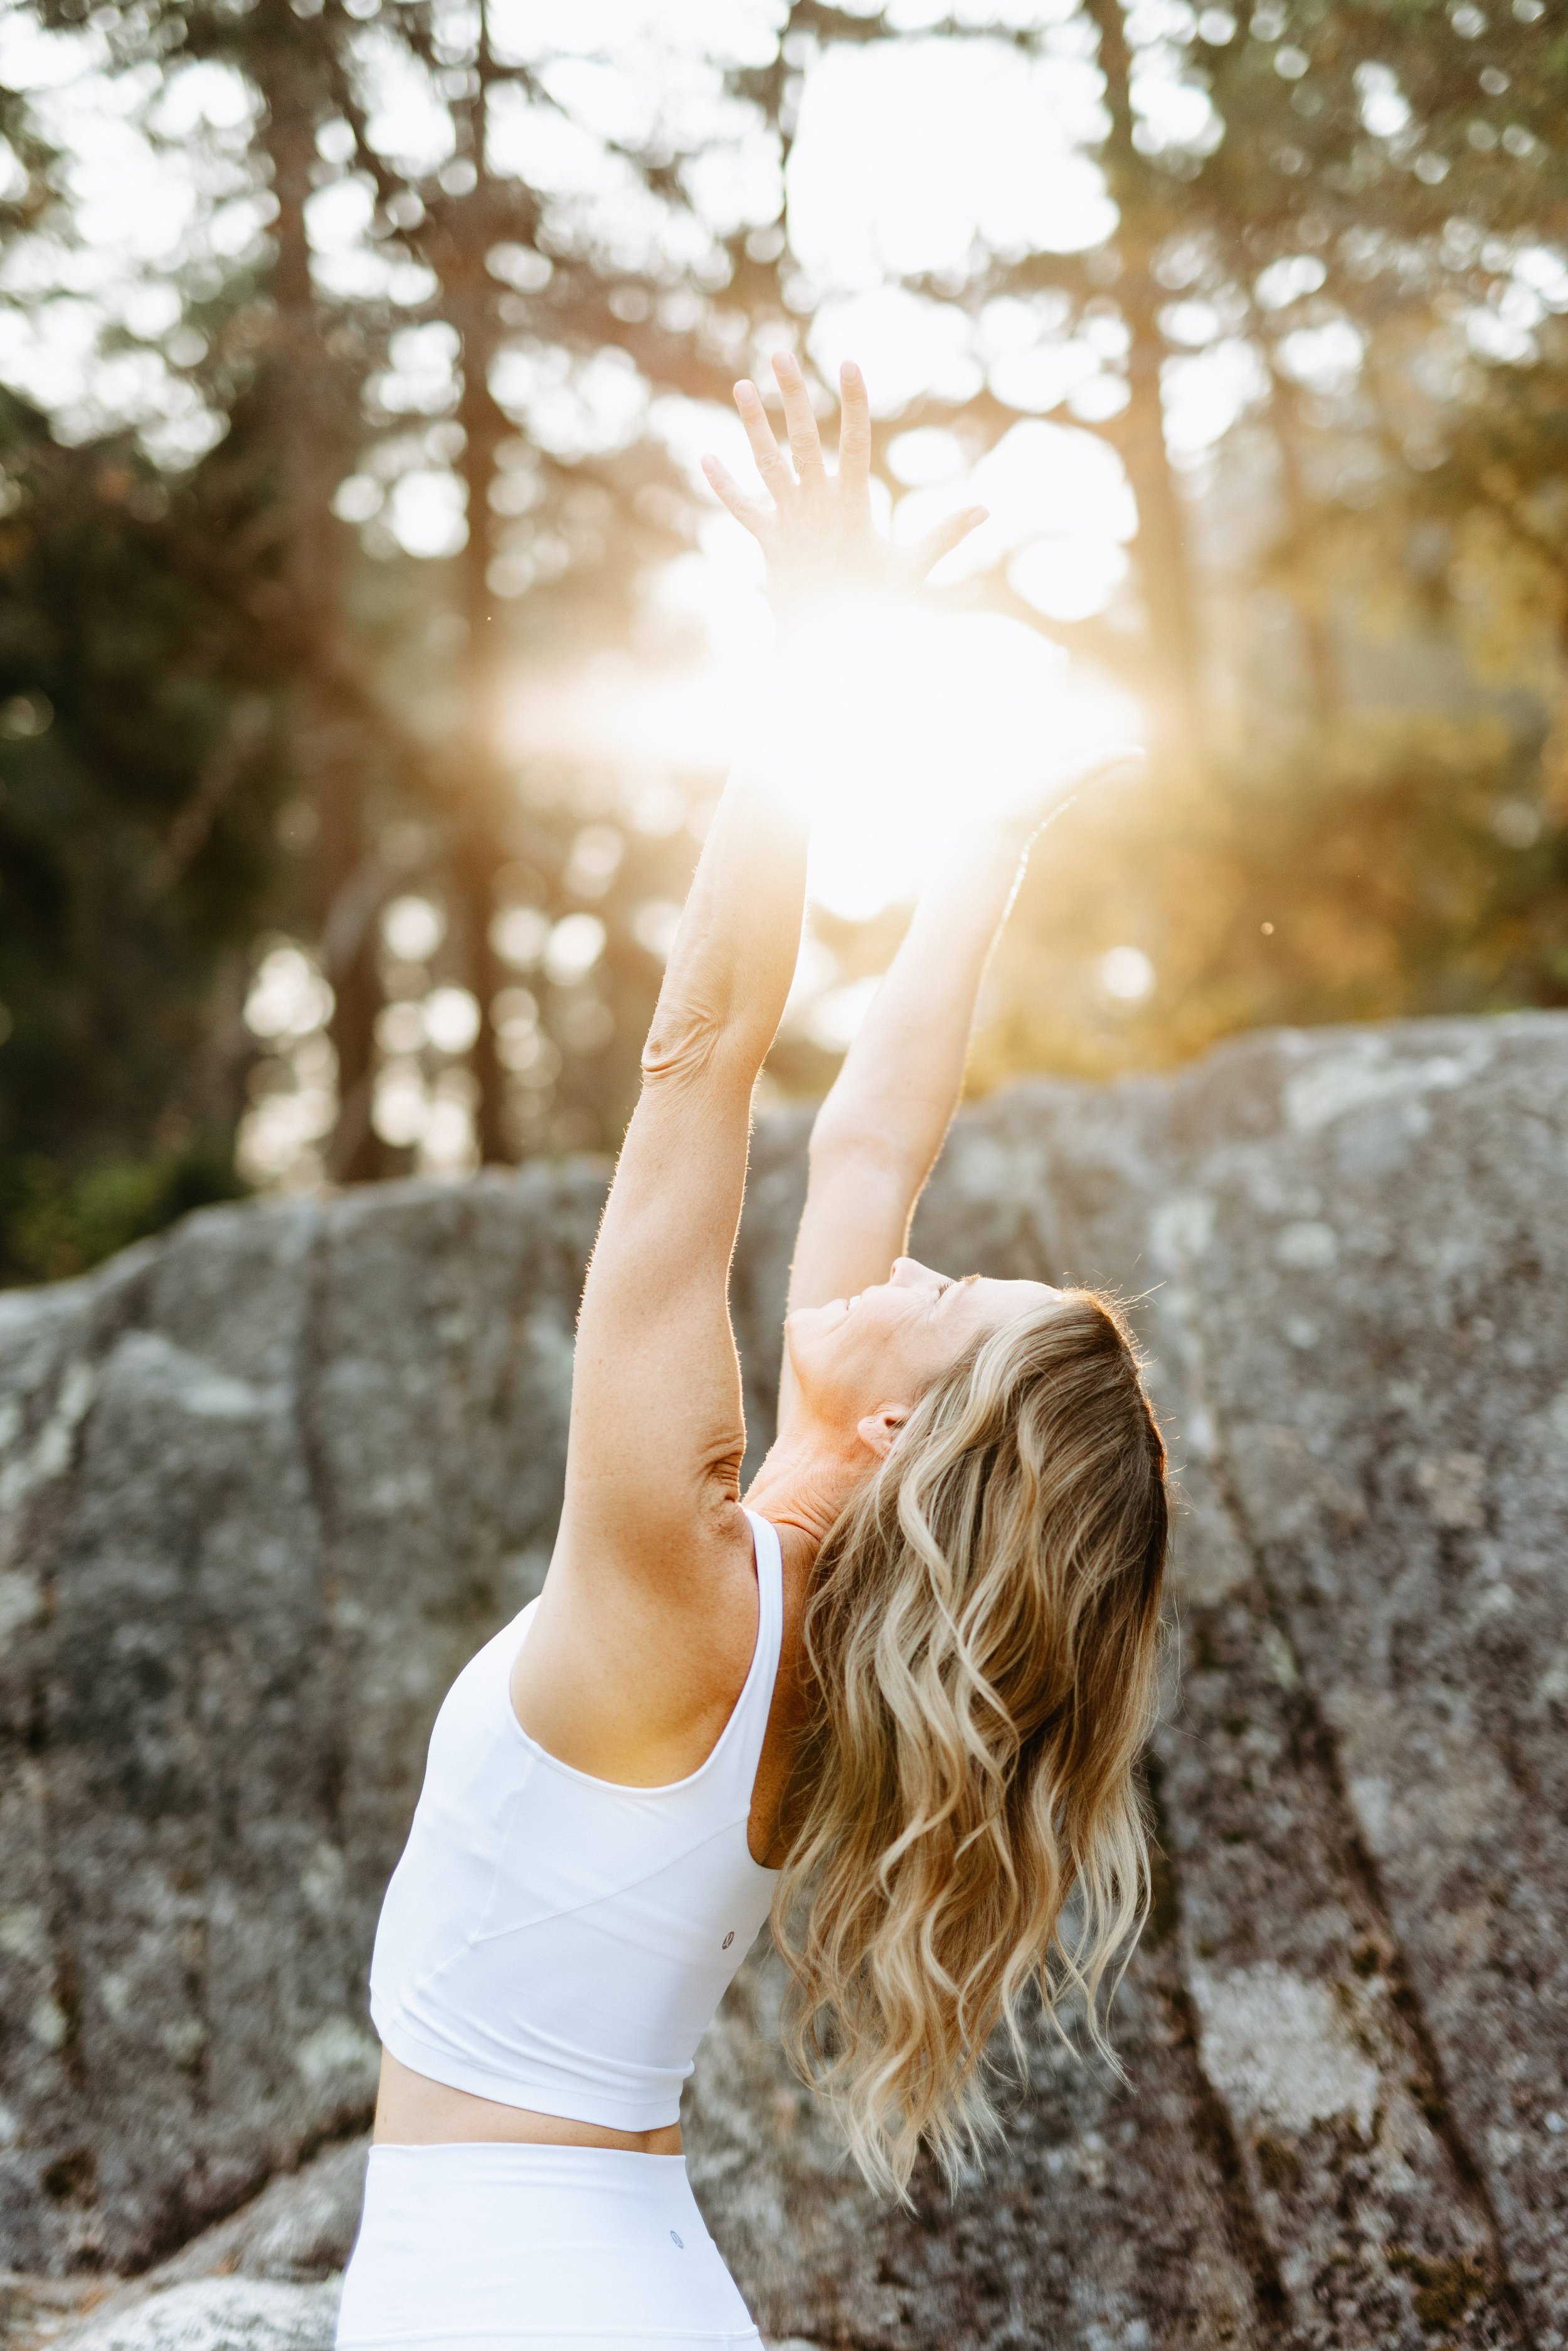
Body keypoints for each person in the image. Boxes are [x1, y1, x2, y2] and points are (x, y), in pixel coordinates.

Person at [336, 352, 1170, 2351]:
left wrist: (805, 669)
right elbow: (873, 1129)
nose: (914, 1252)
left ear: (892, 1415)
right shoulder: (806, 1616)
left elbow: (701, 1053)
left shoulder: (682, 1580)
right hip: (614, 2280)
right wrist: (984, 843)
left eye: (949, 1287)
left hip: (507, 2300)